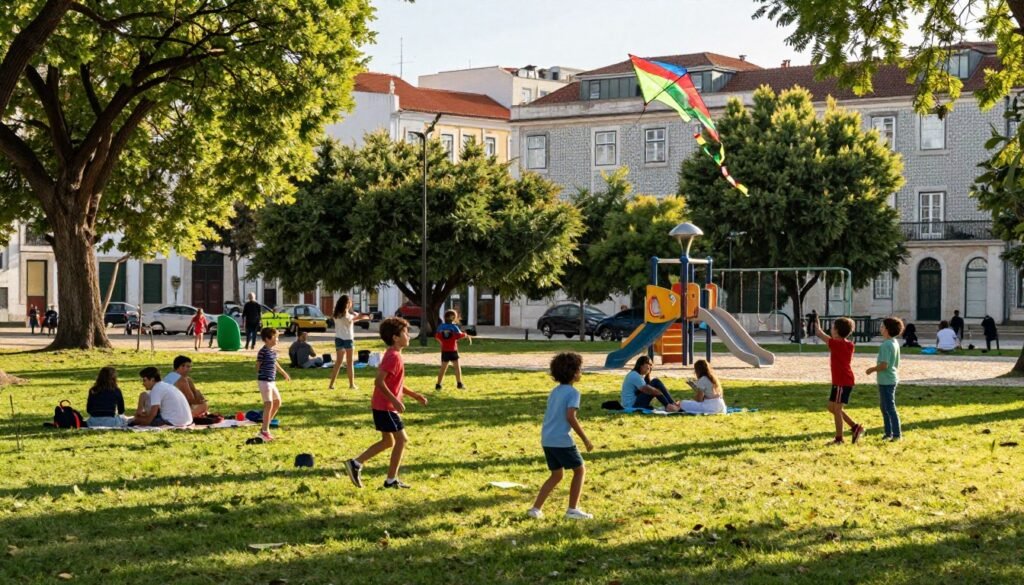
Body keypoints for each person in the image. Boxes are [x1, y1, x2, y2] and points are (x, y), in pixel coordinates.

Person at [344, 317, 428, 489]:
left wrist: (414, 395)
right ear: (396, 337)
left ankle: (357, 464)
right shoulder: (393, 357)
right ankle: (389, 479)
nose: (409, 336)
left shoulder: (394, 355)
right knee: (402, 440)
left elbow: (395, 383)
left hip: (382, 406)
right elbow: (379, 382)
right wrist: (395, 402)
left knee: (388, 442)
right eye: (405, 333)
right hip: (385, 407)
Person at [527, 352, 594, 520]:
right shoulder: (573, 393)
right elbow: (570, 417)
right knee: (580, 470)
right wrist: (585, 439)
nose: (581, 372)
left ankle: (535, 509)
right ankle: (572, 510)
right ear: (573, 373)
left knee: (557, 475)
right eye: (579, 369)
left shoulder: (555, 391)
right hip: (562, 440)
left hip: (547, 439)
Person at [813, 314, 864, 445]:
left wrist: (816, 322)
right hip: (842, 381)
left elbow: (819, 334)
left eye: (832, 327)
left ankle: (839, 439)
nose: (831, 329)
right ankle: (854, 427)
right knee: (832, 407)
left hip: (842, 382)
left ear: (836, 331)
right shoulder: (849, 344)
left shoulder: (836, 344)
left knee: (836, 409)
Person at [866, 317, 903, 441]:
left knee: (889, 407)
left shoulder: (886, 345)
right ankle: (888, 433)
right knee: (884, 407)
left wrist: (872, 369)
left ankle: (896, 434)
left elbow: (884, 365)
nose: (880, 328)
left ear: (887, 330)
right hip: (888, 379)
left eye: (882, 326)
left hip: (887, 380)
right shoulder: (894, 342)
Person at [328, 295, 371, 390]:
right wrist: (364, 316)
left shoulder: (336, 314)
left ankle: (331, 384)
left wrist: (359, 316)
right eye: (350, 303)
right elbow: (355, 318)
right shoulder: (348, 315)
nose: (351, 305)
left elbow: (354, 319)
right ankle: (352, 385)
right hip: (348, 339)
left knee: (338, 363)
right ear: (347, 304)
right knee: (349, 363)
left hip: (338, 339)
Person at [256, 327, 290, 441]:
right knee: (269, 403)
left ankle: (265, 426)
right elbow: (257, 365)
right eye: (276, 337)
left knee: (277, 402)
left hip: (272, 381)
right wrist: (261, 370)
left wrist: (284, 373)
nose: (277, 340)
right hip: (264, 381)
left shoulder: (273, 352)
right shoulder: (263, 351)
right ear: (268, 339)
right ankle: (265, 431)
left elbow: (276, 364)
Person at [435, 309, 472, 390]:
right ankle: (459, 383)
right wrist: (466, 335)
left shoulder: (441, 327)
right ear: (453, 318)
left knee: (443, 368)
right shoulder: (454, 327)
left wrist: (441, 342)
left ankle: (438, 384)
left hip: (444, 350)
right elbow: (459, 335)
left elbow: (437, 336)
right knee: (457, 367)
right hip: (453, 350)